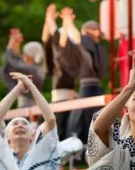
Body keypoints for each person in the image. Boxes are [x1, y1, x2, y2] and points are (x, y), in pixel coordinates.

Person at [57, 7, 107, 148]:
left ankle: (87, 149)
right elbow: (66, 44)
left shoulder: (95, 46)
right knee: (85, 120)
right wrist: (66, 25)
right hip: (89, 87)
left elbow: (78, 39)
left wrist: (68, 22)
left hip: (90, 88)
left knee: (87, 120)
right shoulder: (94, 46)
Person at [42, 3, 78, 140]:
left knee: (64, 126)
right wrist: (49, 19)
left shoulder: (69, 39)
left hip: (66, 85)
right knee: (60, 126)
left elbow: (58, 40)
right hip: (61, 87)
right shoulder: (60, 46)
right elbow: (49, 38)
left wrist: (53, 19)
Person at [0, 28, 45, 108]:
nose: (23, 56)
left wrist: (12, 43)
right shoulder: (37, 68)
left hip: (29, 106)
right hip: (33, 105)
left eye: (25, 54)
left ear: (31, 56)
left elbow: (12, 64)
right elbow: (16, 62)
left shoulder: (33, 70)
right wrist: (15, 44)